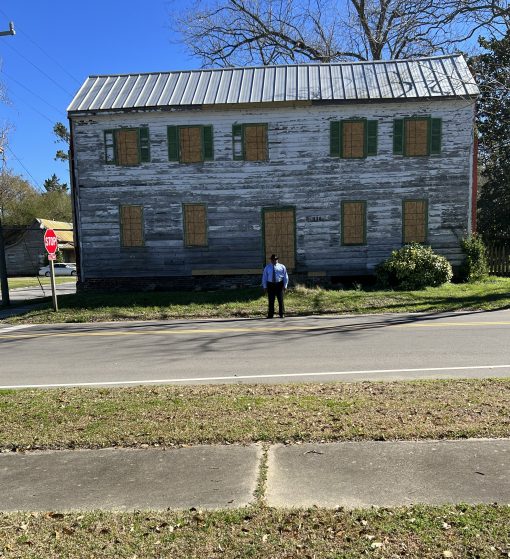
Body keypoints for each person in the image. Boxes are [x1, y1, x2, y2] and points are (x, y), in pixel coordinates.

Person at [262, 254, 289, 318]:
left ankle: (282, 313)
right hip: (270, 284)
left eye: (275, 259)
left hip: (279, 284)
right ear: (271, 260)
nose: (274, 261)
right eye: (273, 260)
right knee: (271, 300)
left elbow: (285, 276)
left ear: (277, 260)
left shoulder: (282, 267)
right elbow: (264, 277)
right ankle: (270, 314)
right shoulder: (267, 267)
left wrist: (285, 285)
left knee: (280, 300)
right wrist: (265, 286)